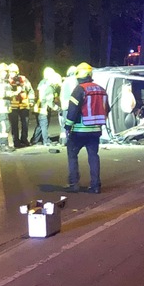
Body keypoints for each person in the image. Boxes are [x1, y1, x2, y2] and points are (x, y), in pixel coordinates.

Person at [63, 62, 109, 193]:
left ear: (78, 75)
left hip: (79, 130)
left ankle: (74, 184)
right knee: (93, 156)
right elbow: (107, 108)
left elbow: (72, 111)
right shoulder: (101, 89)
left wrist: (67, 126)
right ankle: (95, 186)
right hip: (95, 130)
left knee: (72, 155)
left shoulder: (79, 90)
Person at [32, 66, 62, 146]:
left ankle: (35, 140)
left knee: (40, 125)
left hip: (38, 107)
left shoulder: (42, 83)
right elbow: (50, 103)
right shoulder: (49, 88)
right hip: (44, 109)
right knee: (44, 125)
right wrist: (58, 109)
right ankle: (46, 141)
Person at [8, 63, 35, 149]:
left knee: (25, 124)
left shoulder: (23, 79)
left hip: (24, 105)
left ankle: (24, 139)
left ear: (17, 72)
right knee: (14, 125)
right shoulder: (7, 81)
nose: (12, 73)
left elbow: (30, 90)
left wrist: (31, 101)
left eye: (13, 71)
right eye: (10, 72)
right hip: (13, 106)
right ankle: (16, 141)